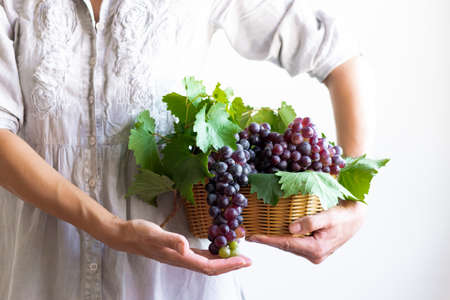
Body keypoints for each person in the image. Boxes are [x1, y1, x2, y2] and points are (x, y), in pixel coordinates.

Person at [0, 0, 371, 299]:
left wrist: (352, 200)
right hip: (42, 280)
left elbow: (335, 53)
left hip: (179, 285)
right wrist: (110, 229)